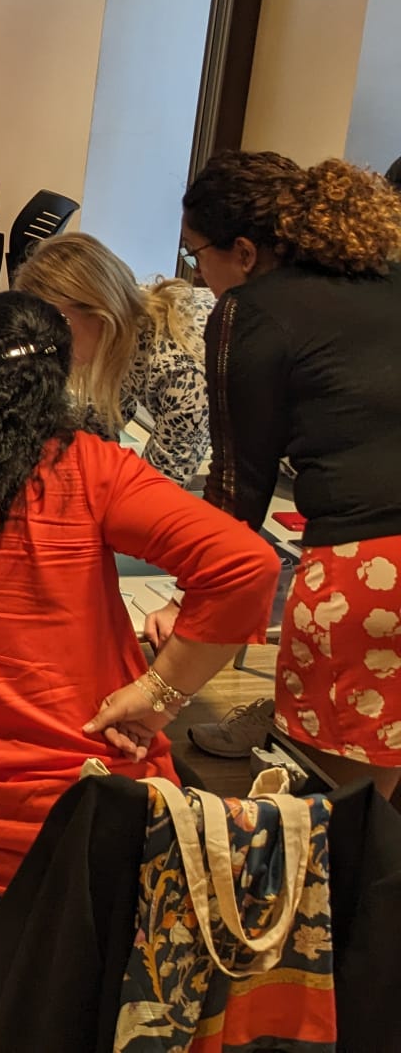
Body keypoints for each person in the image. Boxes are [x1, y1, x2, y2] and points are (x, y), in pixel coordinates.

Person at [0, 292, 277, 899]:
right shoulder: (92, 468)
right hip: (88, 810)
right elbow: (248, 565)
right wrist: (161, 694)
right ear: (59, 379)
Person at [173, 152, 401, 786]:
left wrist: (191, 603)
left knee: (343, 812)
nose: (198, 275)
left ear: (244, 252)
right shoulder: (386, 276)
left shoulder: (250, 312)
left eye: (197, 255)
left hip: (371, 569)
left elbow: (238, 488)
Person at [12, 232, 214, 481]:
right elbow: (96, 430)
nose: (48, 344)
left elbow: (160, 485)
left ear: (99, 312)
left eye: (56, 326)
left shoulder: (176, 370)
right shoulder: (124, 326)